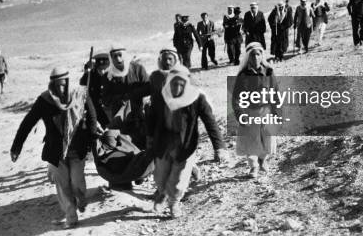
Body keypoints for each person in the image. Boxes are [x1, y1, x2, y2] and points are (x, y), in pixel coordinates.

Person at [10, 67, 99, 229]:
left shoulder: (80, 94)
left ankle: (80, 199)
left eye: (64, 84)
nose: (61, 88)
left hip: (77, 148)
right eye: (57, 85)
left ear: (69, 82)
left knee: (77, 183)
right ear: (52, 84)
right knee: (62, 184)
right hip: (55, 151)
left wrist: (93, 138)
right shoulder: (45, 100)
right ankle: (71, 216)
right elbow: (28, 122)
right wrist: (17, 146)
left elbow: (92, 116)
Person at [148, 65, 228, 218]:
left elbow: (210, 122)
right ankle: (162, 193)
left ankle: (174, 202)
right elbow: (151, 119)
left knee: (178, 178)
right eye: (174, 83)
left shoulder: (197, 98)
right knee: (160, 175)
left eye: (181, 83)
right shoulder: (160, 96)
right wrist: (150, 140)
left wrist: (219, 147)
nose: (177, 87)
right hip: (164, 143)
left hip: (185, 145)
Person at [232, 42, 278, 178]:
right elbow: (236, 97)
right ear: (248, 57)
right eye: (252, 55)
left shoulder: (269, 71)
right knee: (251, 140)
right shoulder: (243, 75)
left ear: (262, 55)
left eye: (258, 54)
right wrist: (240, 114)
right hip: (249, 112)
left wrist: (276, 111)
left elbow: (275, 92)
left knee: (267, 137)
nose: (255, 58)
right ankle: (253, 166)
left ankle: (263, 160)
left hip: (266, 110)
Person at [102, 45, 150, 150]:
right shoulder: (108, 76)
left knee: (141, 149)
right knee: (123, 150)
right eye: (114, 56)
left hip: (139, 118)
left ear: (125, 55)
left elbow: (149, 88)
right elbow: (105, 100)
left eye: (120, 55)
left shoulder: (138, 69)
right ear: (111, 58)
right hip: (119, 122)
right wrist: (119, 99)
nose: (118, 59)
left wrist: (133, 95)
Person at [79, 49, 110, 128]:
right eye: (100, 70)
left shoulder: (112, 74)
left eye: (104, 69)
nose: (102, 72)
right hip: (95, 108)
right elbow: (82, 84)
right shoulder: (91, 75)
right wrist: (86, 72)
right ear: (96, 68)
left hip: (109, 108)